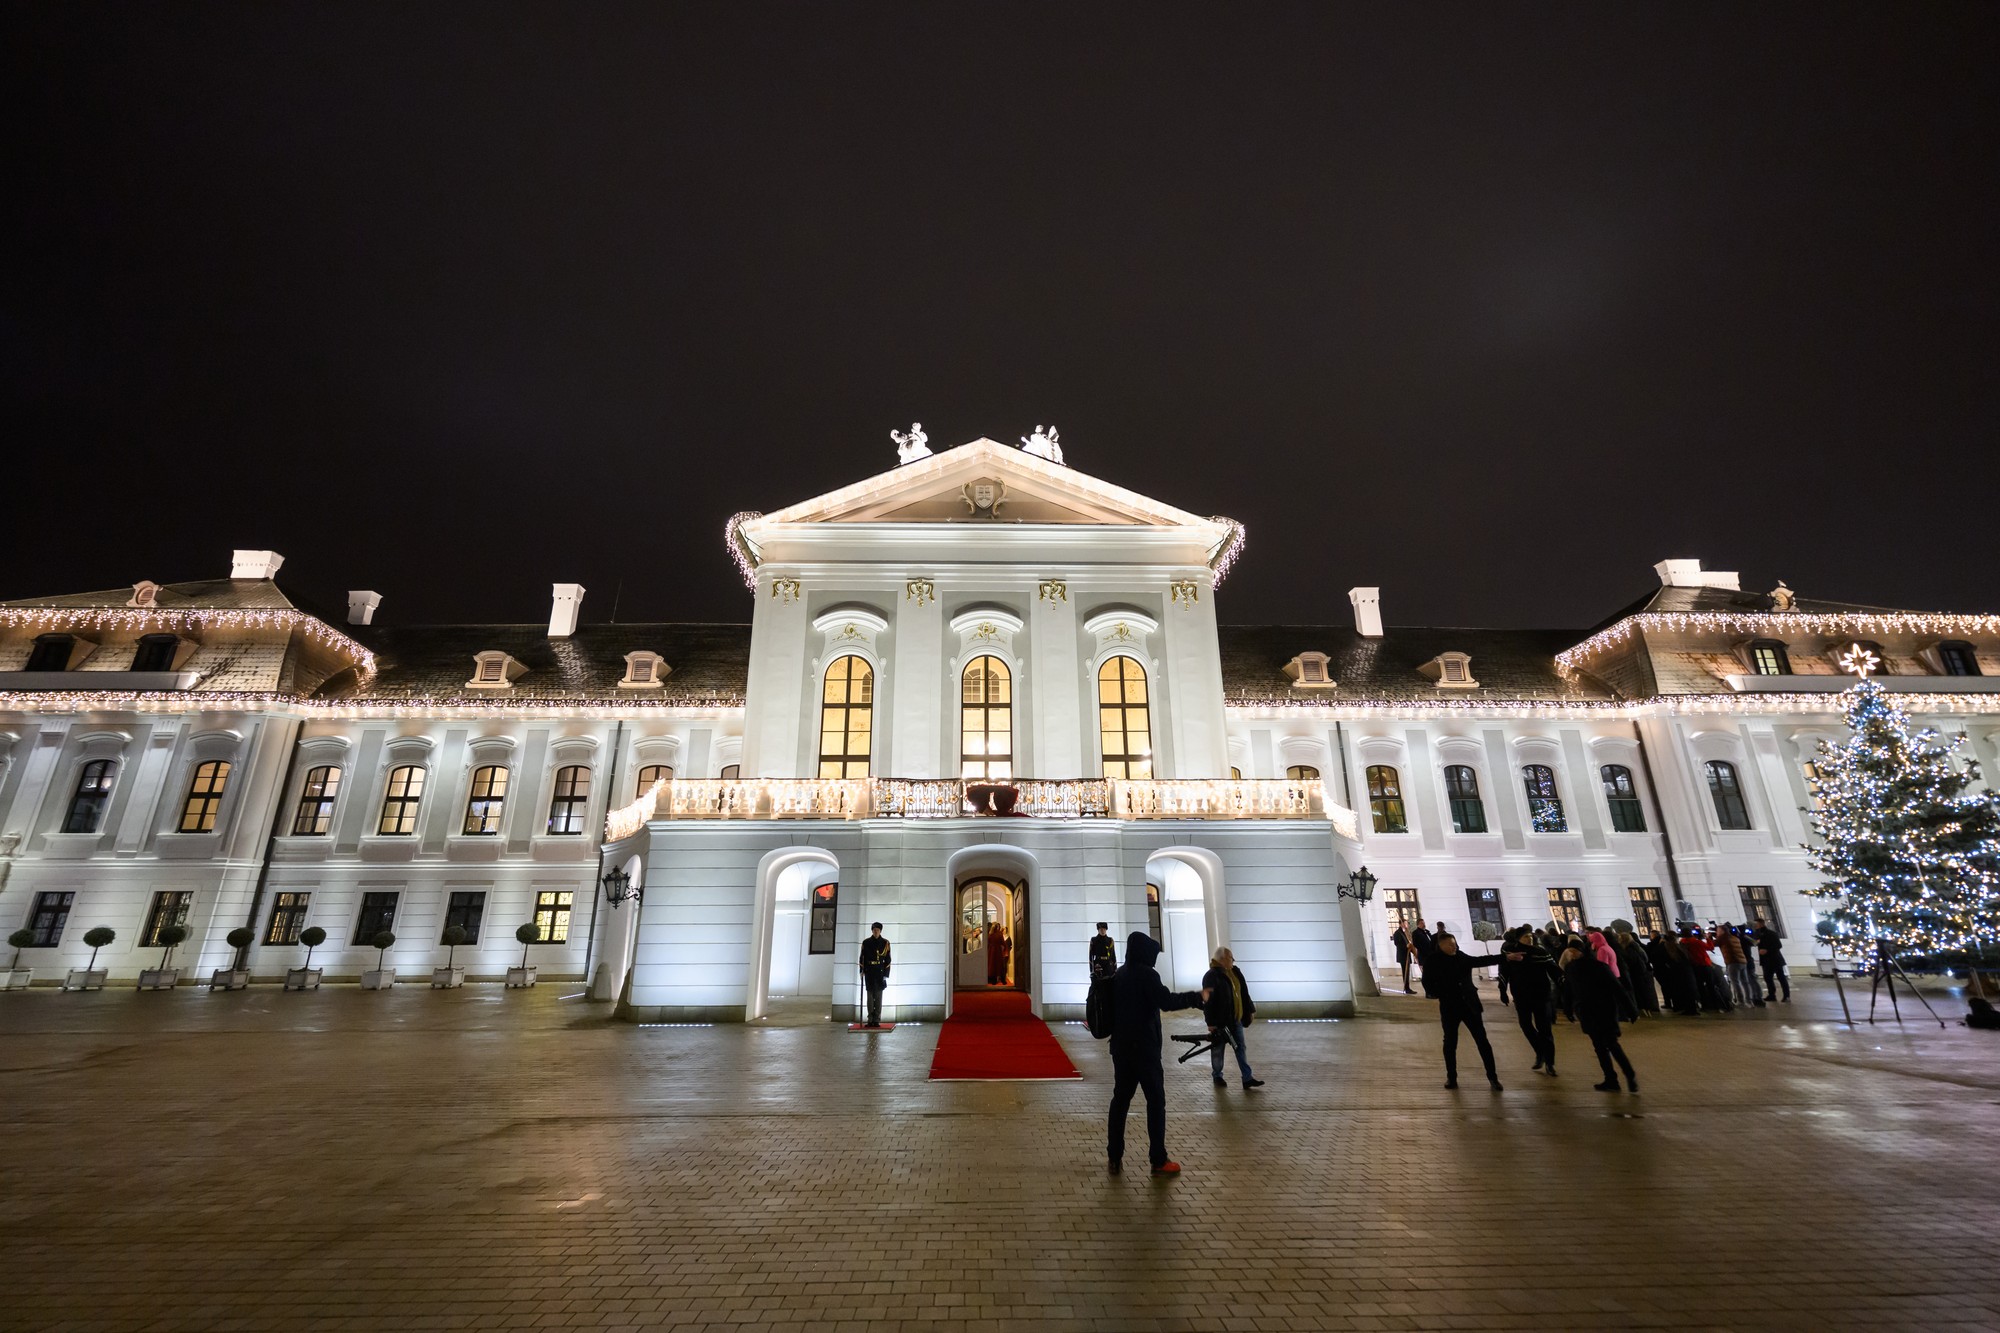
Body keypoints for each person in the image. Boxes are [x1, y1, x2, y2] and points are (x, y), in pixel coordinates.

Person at [1106, 931, 1206, 1175]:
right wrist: (1196, 997)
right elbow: (1167, 1001)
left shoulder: (1119, 974)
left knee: (1120, 1102)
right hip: (1145, 1051)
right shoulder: (1147, 975)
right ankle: (1158, 1159)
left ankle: (1114, 1156)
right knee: (1156, 1103)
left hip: (1121, 1049)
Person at [1425, 932, 1505, 1090]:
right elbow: (1427, 982)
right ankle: (1451, 1077)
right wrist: (1441, 993)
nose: (1453, 946)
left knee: (1482, 1041)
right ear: (1441, 945)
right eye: (1450, 944)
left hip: (1470, 1005)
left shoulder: (1461, 957)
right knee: (1450, 1042)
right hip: (1450, 1006)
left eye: (1454, 944)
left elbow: (1481, 960)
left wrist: (1504, 957)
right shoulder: (1433, 960)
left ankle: (1493, 1077)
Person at [1563, 944, 1639, 1093]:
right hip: (1586, 1012)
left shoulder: (1599, 966)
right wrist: (1568, 1009)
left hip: (1604, 1010)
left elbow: (1617, 988)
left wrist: (1631, 1010)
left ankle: (1629, 1075)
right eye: (1570, 951)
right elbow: (1568, 990)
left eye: (1574, 951)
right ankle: (1611, 1079)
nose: (1571, 954)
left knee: (1611, 1044)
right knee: (1599, 1047)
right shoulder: (1571, 968)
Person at [1498, 926, 1560, 1075]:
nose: (1529, 938)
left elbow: (1553, 969)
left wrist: (1562, 980)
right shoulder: (1511, 953)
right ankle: (1540, 1052)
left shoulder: (1541, 952)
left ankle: (1549, 1063)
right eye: (1526, 936)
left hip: (1541, 996)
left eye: (1530, 936)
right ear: (1518, 938)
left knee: (1545, 1029)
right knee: (1525, 1025)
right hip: (1521, 996)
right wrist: (1502, 990)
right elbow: (1504, 972)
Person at [1201, 947, 1263, 1090]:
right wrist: (1210, 1023)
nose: (1233, 960)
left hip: (1236, 1019)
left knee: (1240, 1047)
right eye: (1230, 958)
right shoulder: (1211, 976)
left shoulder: (1235, 972)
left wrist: (1250, 1009)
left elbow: (1243, 992)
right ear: (1222, 959)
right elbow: (1208, 1001)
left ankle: (1247, 1078)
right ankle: (1217, 1075)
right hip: (1220, 1022)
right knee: (1218, 1048)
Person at [858, 922, 891, 1027]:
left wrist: (886, 974)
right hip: (869, 971)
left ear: (880, 931)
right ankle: (870, 1019)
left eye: (877, 930)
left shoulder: (885, 943)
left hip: (880, 972)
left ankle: (876, 1019)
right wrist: (861, 970)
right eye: (874, 930)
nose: (876, 931)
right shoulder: (866, 942)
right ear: (872, 930)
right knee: (870, 997)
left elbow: (888, 959)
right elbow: (862, 957)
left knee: (878, 996)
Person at [1754, 917, 1790, 1002]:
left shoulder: (1771, 933)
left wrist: (1767, 950)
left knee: (1781, 977)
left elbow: (1778, 945)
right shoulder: (1758, 934)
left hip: (1775, 959)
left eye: (1756, 924)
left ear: (1761, 924)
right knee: (1767, 978)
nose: (1755, 926)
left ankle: (1786, 996)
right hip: (1766, 960)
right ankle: (1772, 995)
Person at [1390, 920, 1413, 993]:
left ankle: (1408, 987)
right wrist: (1406, 946)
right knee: (1405, 971)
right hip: (1403, 955)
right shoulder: (1397, 933)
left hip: (1407, 954)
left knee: (1407, 972)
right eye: (1405, 923)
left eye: (1407, 923)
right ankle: (1406, 988)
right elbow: (1397, 944)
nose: (1406, 925)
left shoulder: (1405, 932)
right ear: (1401, 924)